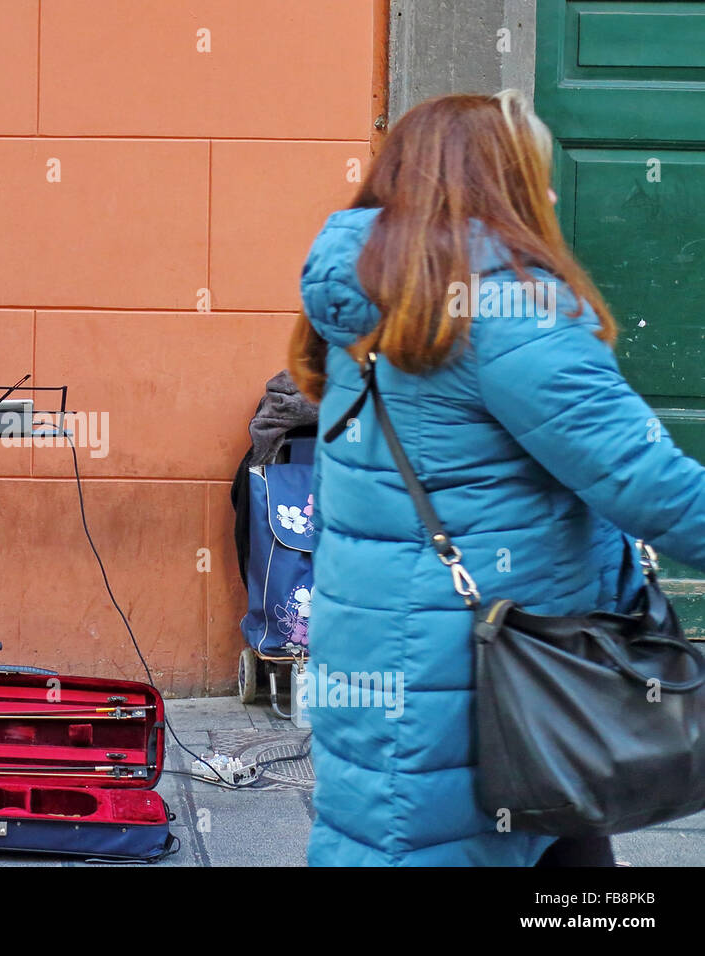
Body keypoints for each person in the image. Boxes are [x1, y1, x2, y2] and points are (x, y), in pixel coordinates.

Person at [289, 90, 705, 865]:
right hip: (490, 676)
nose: (549, 194)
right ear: (498, 186)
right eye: (534, 176)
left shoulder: (373, 299)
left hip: (393, 653)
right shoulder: (510, 313)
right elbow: (651, 486)